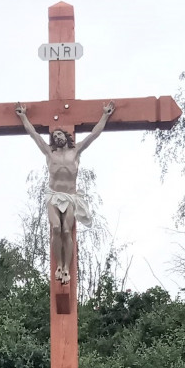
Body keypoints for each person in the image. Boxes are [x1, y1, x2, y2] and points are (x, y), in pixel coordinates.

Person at [15, 101, 115, 284]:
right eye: (55, 135)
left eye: (60, 134)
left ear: (66, 136)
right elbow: (33, 134)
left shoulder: (76, 151)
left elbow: (94, 134)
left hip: (70, 197)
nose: (57, 137)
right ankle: (59, 266)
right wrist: (23, 117)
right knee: (56, 228)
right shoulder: (49, 152)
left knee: (67, 231)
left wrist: (105, 115)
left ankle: (67, 268)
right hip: (53, 195)